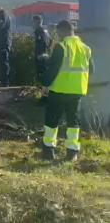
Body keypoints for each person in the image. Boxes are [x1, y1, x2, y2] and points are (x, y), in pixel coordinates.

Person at [41, 20, 95, 162]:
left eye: (58, 33)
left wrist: (45, 85)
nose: (58, 36)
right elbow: (92, 70)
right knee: (73, 122)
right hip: (77, 91)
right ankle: (72, 153)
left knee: (52, 121)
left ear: (63, 31)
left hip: (59, 90)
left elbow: (53, 69)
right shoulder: (85, 48)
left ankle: (48, 152)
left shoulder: (61, 46)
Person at [32, 15, 52, 105]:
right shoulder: (46, 32)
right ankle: (45, 96)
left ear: (37, 22)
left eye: (33, 22)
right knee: (45, 78)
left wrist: (39, 55)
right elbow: (50, 42)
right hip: (46, 57)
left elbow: (40, 45)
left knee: (43, 78)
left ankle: (45, 98)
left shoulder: (39, 32)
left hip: (41, 58)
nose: (32, 24)